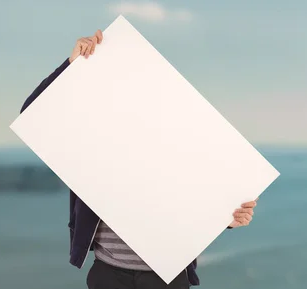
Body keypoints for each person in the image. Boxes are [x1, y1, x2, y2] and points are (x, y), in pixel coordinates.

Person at [20, 29, 258, 289]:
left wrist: (227, 218)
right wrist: (70, 66)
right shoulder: (91, 129)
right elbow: (32, 115)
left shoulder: (178, 134)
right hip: (107, 274)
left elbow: (200, 188)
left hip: (167, 275)